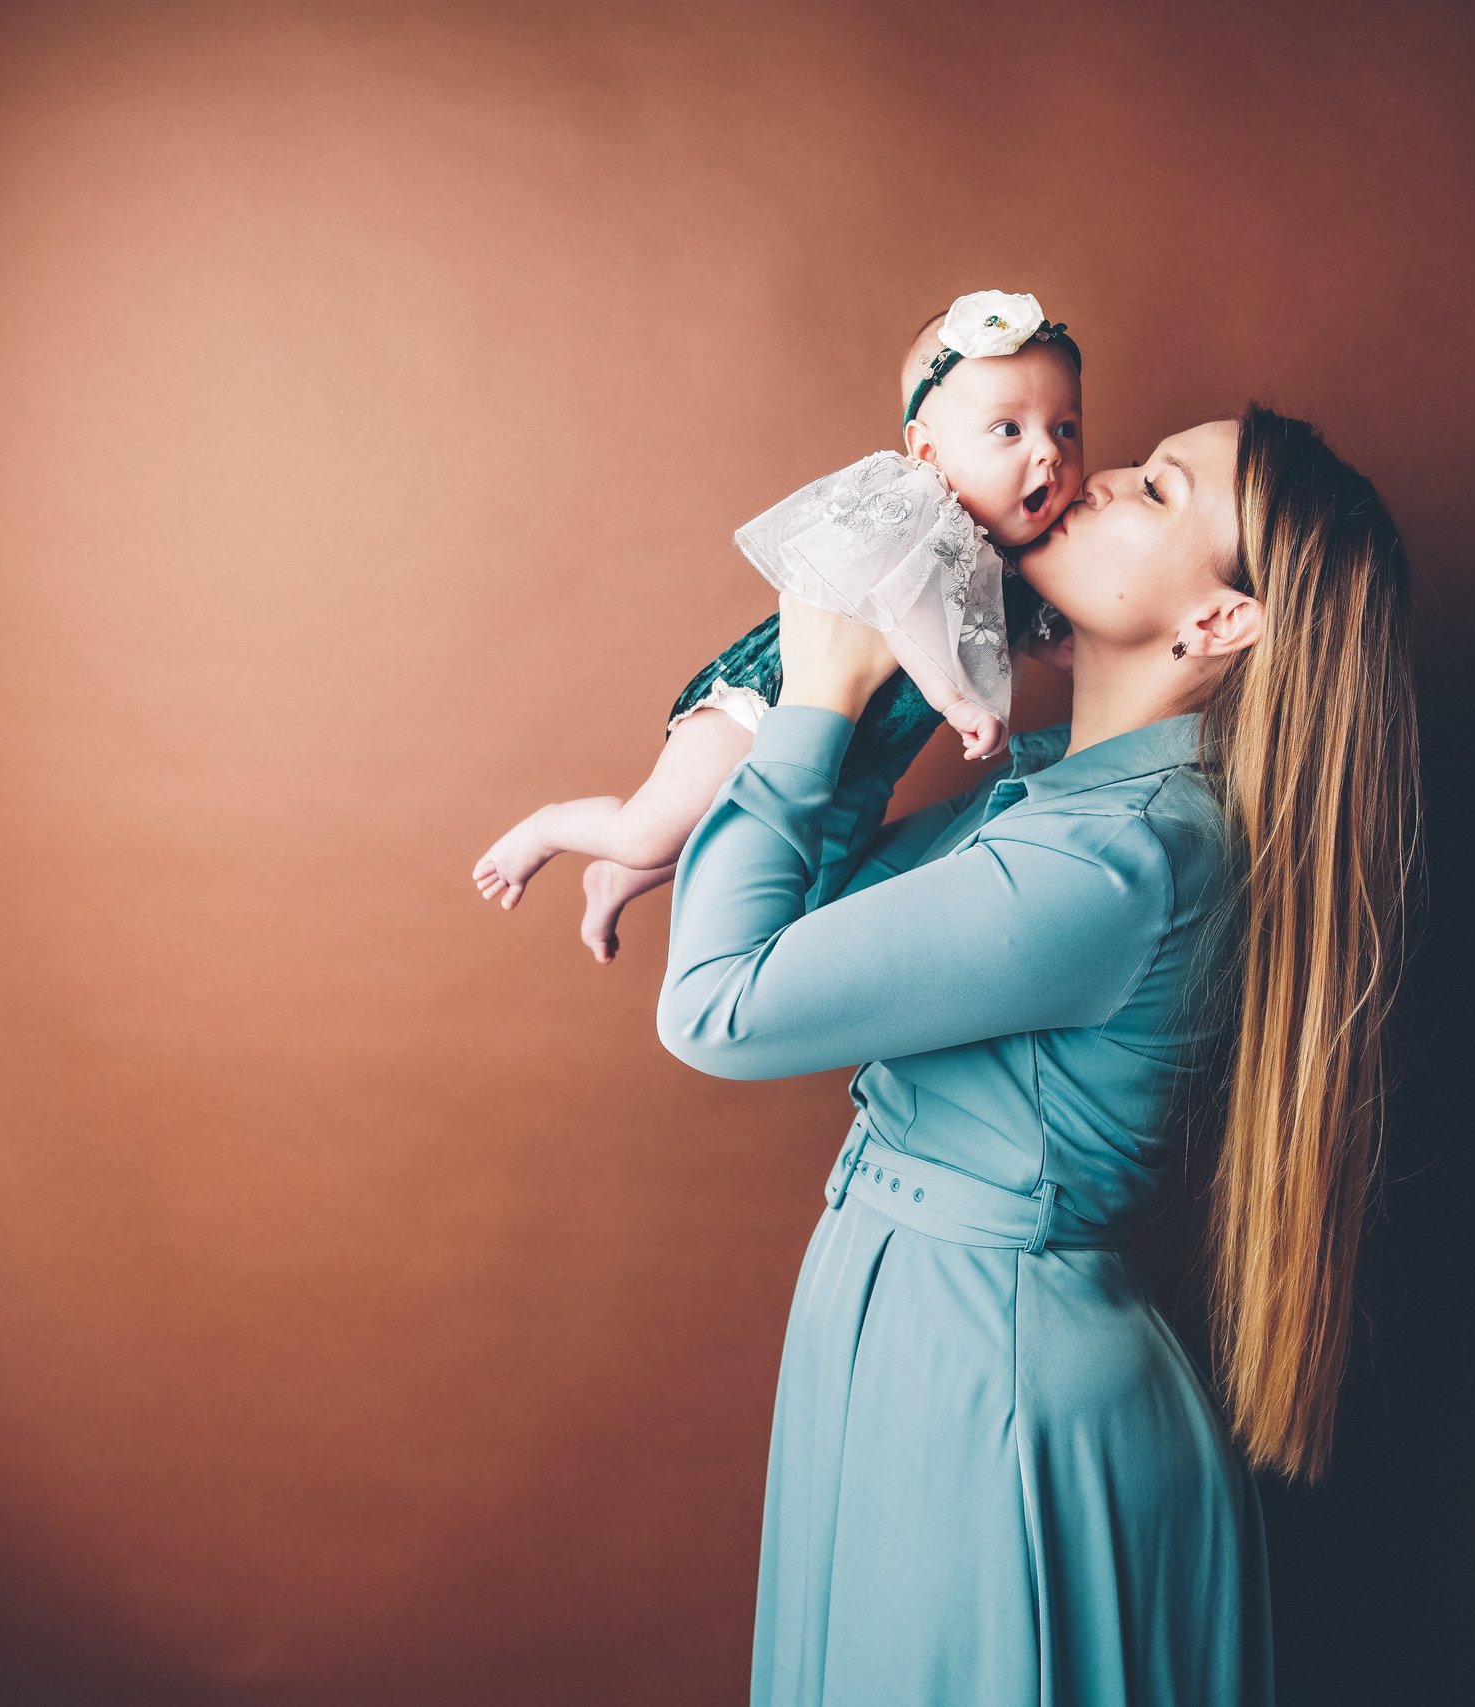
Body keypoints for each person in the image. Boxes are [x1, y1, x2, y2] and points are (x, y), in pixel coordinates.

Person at [658, 405, 1420, 1707]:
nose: (1101, 476)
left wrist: (824, 690)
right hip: (918, 1335)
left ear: (1220, 621)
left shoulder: (1124, 858)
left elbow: (719, 1004)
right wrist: (903, 658)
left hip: (994, 1393)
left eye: (1158, 490)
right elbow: (808, 908)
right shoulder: (1068, 785)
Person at [471, 290, 1084, 960]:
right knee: (653, 829)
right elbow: (909, 614)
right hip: (762, 708)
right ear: (928, 452)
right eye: (1009, 430)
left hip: (845, 752)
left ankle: (615, 879)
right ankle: (555, 828)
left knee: (732, 836)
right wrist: (956, 700)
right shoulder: (917, 511)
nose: (1049, 455)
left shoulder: (1018, 563)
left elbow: (1028, 638)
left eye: (1066, 429)